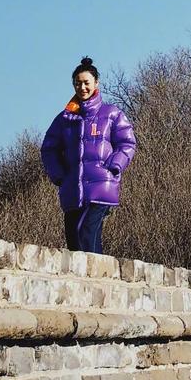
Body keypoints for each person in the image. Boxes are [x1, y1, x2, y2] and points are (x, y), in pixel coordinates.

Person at [40, 56, 136, 255]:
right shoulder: (65, 118)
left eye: (86, 83)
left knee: (86, 232)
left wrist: (114, 165)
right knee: (74, 243)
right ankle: (98, 282)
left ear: (96, 83)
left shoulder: (111, 113)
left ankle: (96, 280)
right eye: (78, 83)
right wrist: (58, 174)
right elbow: (49, 148)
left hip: (101, 185)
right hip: (72, 188)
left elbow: (127, 143)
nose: (82, 87)